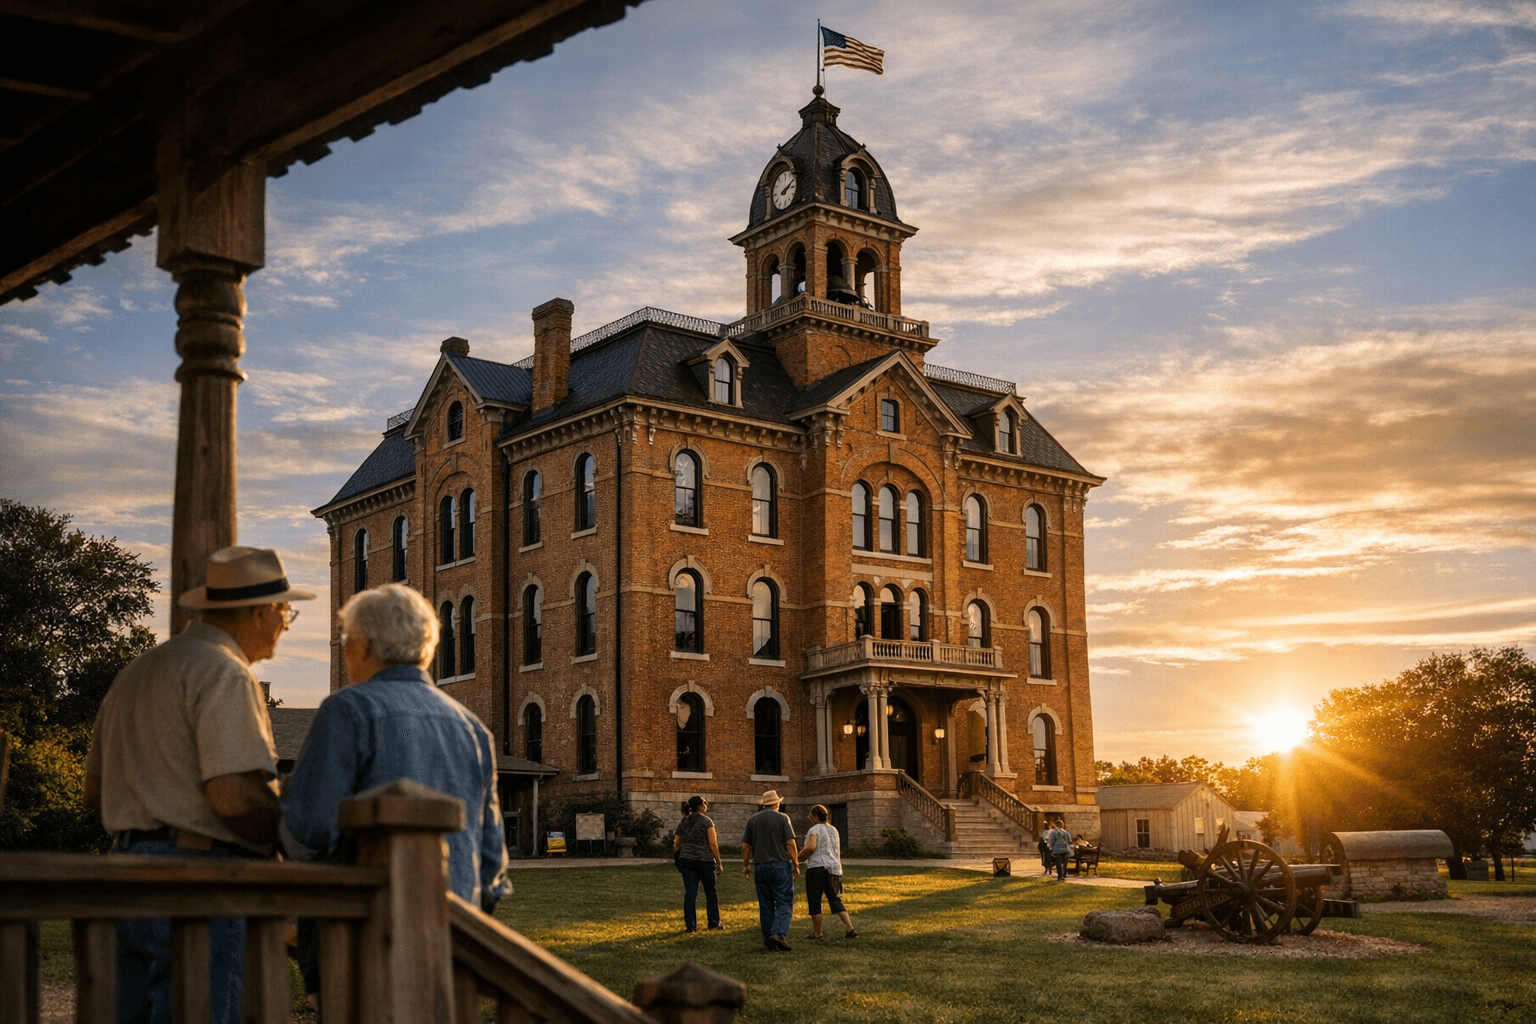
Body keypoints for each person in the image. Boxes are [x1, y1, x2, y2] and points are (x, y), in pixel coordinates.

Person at [84, 545, 314, 1024]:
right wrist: (289, 820)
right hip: (197, 883)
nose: (286, 624)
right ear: (259, 611)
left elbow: (93, 792)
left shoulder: (136, 671)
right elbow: (232, 800)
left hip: (122, 877)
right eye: (285, 612)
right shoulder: (225, 672)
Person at [282, 583, 510, 998]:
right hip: (450, 941)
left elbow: (310, 827)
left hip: (359, 940)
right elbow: (492, 858)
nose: (345, 651)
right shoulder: (471, 727)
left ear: (364, 645)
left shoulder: (347, 710)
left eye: (347, 641)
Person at [740, 789, 799, 952]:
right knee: (784, 902)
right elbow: (790, 844)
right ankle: (778, 934)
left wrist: (746, 865)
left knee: (765, 904)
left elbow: (746, 846)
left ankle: (768, 941)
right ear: (777, 803)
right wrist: (796, 863)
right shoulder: (782, 818)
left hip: (760, 866)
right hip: (780, 865)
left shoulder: (752, 820)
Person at [797, 805, 856, 939]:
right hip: (834, 869)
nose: (811, 819)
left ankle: (817, 933)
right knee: (835, 899)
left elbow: (811, 847)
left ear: (816, 817)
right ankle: (850, 927)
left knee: (815, 901)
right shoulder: (834, 830)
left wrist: (797, 857)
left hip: (817, 868)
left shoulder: (814, 829)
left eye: (811, 817)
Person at [673, 795, 723, 933]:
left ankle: (690, 926)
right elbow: (713, 843)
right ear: (701, 806)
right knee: (710, 892)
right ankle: (713, 923)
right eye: (705, 803)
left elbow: (677, 843)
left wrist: (681, 855)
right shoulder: (707, 821)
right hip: (705, 860)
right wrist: (718, 862)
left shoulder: (683, 822)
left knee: (690, 893)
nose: (706, 806)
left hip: (687, 860)